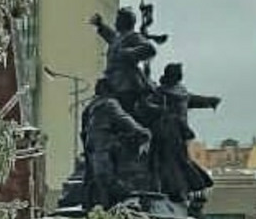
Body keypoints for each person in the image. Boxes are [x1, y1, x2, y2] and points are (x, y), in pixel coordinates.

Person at [151, 63, 220, 202]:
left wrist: (209, 101)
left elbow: (192, 100)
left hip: (174, 132)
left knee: (174, 162)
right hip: (170, 132)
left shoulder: (171, 91)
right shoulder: (166, 92)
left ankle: (182, 189)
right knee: (174, 161)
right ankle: (182, 189)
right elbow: (193, 99)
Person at [81, 77, 152, 209]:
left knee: (98, 180)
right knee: (106, 180)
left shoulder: (92, 105)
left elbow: (83, 130)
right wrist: (143, 131)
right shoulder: (109, 103)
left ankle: (100, 208)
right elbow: (124, 119)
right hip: (103, 147)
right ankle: (111, 209)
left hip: (92, 147)